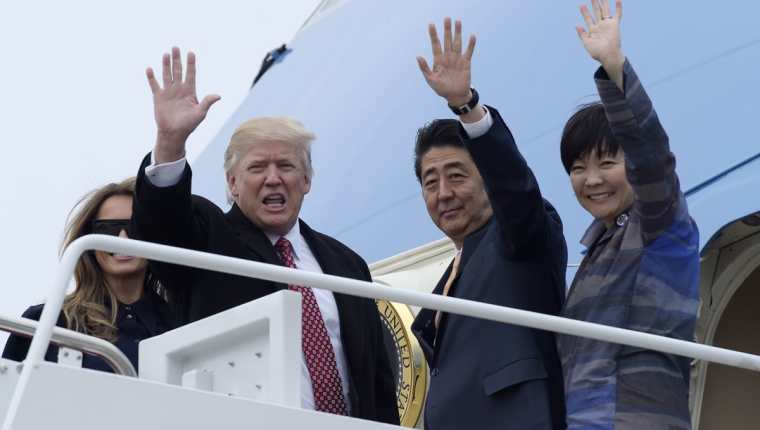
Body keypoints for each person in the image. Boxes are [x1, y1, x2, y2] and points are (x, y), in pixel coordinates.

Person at [131, 47, 398, 424]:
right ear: (232, 183)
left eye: (286, 166)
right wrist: (170, 143)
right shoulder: (208, 238)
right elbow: (161, 227)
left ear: (306, 180)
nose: (273, 178)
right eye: (257, 167)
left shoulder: (347, 264)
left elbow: (377, 381)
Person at [409, 19, 567, 429]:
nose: (444, 193)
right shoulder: (452, 272)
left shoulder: (519, 236)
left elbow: (515, 187)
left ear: (487, 180)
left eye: (457, 176)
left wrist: (466, 107)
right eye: (430, 182)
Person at [556, 1, 700, 428]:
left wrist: (615, 69)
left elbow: (651, 156)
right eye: (578, 168)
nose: (592, 179)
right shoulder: (595, 251)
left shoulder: (661, 224)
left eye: (606, 163)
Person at [2, 178, 173, 373]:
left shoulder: (181, 325)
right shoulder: (47, 320)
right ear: (89, 240)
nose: (123, 239)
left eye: (135, 227)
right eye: (108, 229)